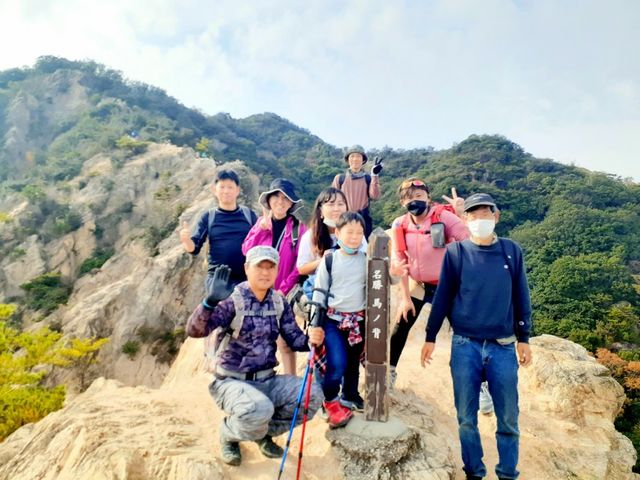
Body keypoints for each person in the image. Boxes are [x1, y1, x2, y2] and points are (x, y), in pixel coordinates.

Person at [420, 193, 533, 480]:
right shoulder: (456, 253)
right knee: (466, 419)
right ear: (465, 219)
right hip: (465, 345)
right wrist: (430, 335)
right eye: (473, 215)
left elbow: (521, 294)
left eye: (485, 214)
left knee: (508, 419)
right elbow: (443, 296)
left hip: (503, 345)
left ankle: (507, 473)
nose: (479, 219)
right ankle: (474, 472)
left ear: (496, 216)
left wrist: (524, 337)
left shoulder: (511, 251)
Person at [186, 245, 325, 467]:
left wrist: (312, 340)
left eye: (271, 267)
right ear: (247, 269)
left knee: (313, 395)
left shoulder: (278, 302)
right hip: (231, 382)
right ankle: (229, 434)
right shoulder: (232, 300)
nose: (265, 272)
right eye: (260, 267)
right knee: (259, 409)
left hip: (267, 380)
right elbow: (195, 331)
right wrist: (209, 303)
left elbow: (295, 339)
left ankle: (261, 433)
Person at [389, 178, 468, 387]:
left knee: (464, 332)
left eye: (419, 196)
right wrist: (405, 298)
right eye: (408, 198)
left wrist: (462, 215)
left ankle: (477, 382)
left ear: (428, 197)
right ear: (402, 203)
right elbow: (401, 261)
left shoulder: (443, 217)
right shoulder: (400, 224)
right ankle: (389, 371)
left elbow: (469, 241)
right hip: (420, 284)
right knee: (401, 324)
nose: (414, 201)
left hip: (448, 285)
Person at [242, 178, 307, 375]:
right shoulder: (260, 224)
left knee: (285, 343)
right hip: (258, 292)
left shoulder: (299, 229)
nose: (281, 201)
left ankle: (290, 380)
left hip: (282, 293)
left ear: (291, 203)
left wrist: (283, 289)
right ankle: (260, 380)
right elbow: (246, 251)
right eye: (277, 196)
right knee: (257, 340)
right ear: (269, 200)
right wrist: (260, 230)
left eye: (286, 198)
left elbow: (300, 264)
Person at [311, 212, 367, 426]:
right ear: (338, 232)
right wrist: (315, 325)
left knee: (353, 363)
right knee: (337, 363)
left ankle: (350, 395)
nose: (354, 237)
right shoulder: (330, 259)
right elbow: (319, 293)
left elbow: (386, 280)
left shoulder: (367, 260)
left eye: (359, 233)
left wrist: (396, 272)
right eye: (349, 232)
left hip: (358, 321)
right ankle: (331, 401)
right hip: (333, 321)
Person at [180, 169, 257, 291]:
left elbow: (260, 243)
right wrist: (186, 241)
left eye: (230, 187)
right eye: (222, 187)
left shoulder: (249, 215)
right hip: (217, 280)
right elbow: (194, 248)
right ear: (214, 190)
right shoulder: (209, 217)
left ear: (237, 190)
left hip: (245, 279)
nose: (226, 191)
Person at [297, 187, 367, 298]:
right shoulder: (310, 236)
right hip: (322, 293)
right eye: (331, 204)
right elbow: (301, 269)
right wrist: (324, 261)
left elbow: (366, 260)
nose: (336, 209)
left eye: (340, 204)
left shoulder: (356, 233)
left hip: (351, 292)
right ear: (320, 210)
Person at [331, 145, 382, 239]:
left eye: (358, 156)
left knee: (363, 246)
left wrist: (374, 175)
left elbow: (375, 196)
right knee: (342, 245)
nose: (355, 159)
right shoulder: (340, 178)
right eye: (352, 156)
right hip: (344, 219)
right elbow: (332, 200)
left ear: (363, 160)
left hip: (363, 220)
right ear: (348, 160)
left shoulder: (368, 178)